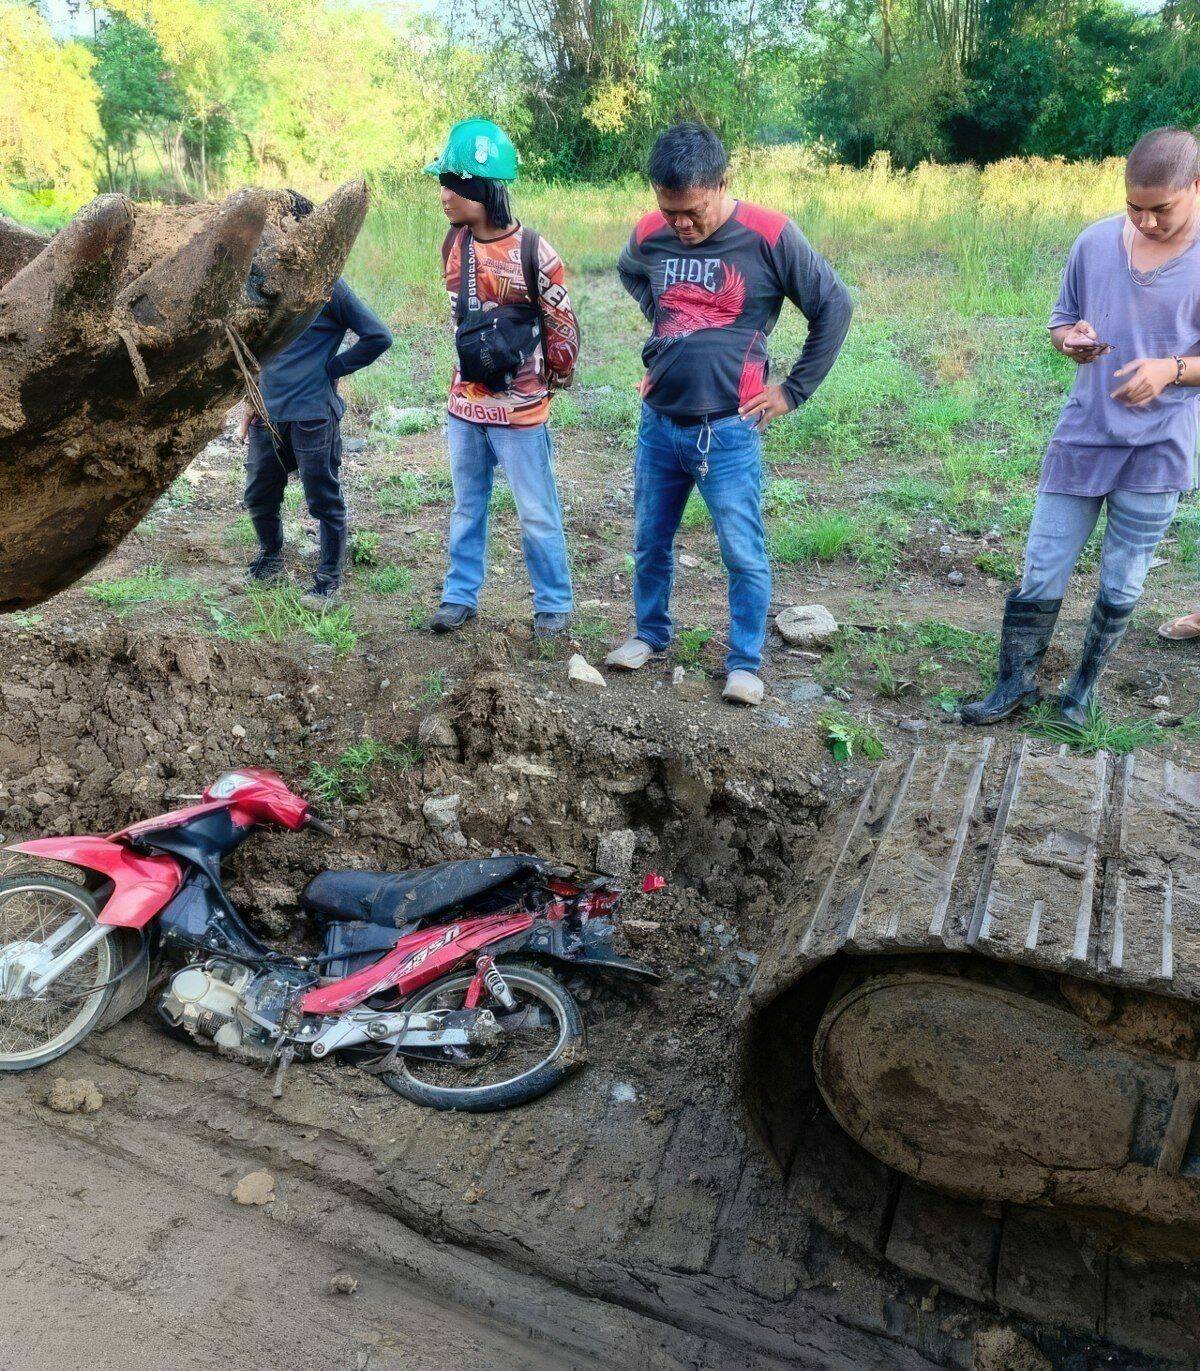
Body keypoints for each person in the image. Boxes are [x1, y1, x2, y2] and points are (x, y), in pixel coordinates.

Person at [962, 127, 1200, 728]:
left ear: (1194, 188)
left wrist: (1170, 370)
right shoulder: (1094, 243)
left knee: (1124, 573)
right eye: (1134, 207)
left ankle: (1082, 689)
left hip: (1160, 447)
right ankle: (1013, 683)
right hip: (1083, 433)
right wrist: (1070, 340)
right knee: (1043, 561)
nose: (1144, 222)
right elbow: (1061, 320)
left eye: (1160, 210)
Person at [609, 123, 853, 705]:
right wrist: (665, 329)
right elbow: (629, 271)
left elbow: (834, 306)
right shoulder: (652, 231)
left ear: (722, 185)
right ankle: (649, 634)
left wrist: (793, 391)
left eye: (692, 211)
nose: (681, 225)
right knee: (649, 541)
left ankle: (744, 661)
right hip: (659, 423)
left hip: (728, 429)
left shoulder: (769, 235)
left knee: (741, 551)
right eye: (670, 212)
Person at [424, 119, 580, 637]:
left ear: (482, 190)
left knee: (536, 511)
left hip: (521, 414)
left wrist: (552, 380)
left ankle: (553, 604)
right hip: (464, 408)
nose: (445, 195)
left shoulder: (536, 251)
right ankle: (458, 597)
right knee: (467, 507)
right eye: (444, 183)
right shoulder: (454, 244)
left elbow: (562, 326)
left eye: (455, 184)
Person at [238, 190, 392, 608]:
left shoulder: (329, 288)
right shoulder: (262, 284)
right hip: (269, 413)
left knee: (322, 497)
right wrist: (251, 401)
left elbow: (379, 336)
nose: (278, 237)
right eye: (274, 229)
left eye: (288, 228)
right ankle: (270, 558)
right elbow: (248, 346)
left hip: (312, 415)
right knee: (258, 493)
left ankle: (328, 578)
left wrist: (332, 369)